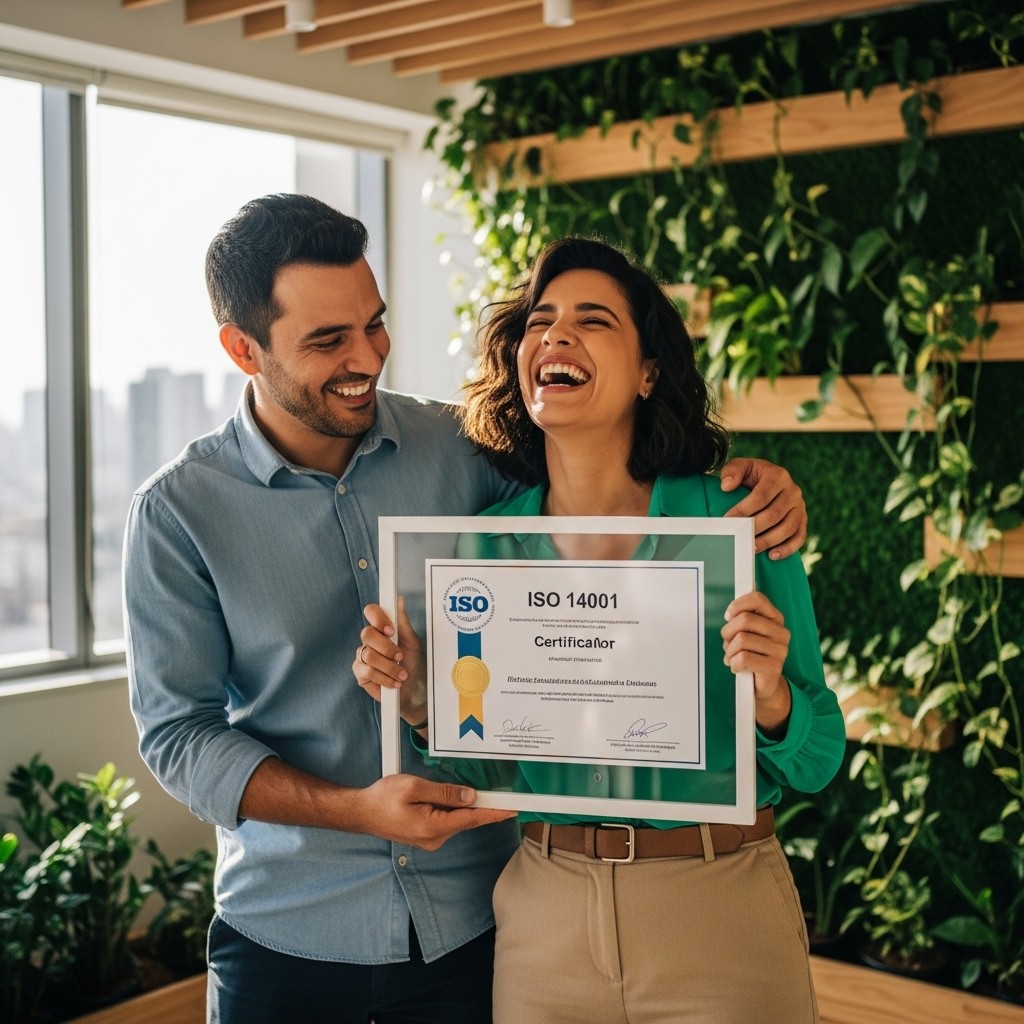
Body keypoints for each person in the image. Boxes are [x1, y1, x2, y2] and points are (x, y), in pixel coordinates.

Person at [123, 194, 811, 1024]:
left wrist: (760, 484)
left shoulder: (471, 449)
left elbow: (601, 481)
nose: (367, 357)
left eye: (375, 324)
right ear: (243, 348)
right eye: (328, 340)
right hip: (289, 930)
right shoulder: (178, 513)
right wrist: (355, 810)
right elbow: (178, 734)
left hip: (476, 926)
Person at [355, 236, 846, 1024]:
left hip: (718, 910)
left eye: (593, 320)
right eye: (540, 321)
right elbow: (490, 766)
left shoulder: (735, 520)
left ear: (648, 371)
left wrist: (771, 695)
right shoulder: (484, 547)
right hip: (545, 918)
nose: (557, 334)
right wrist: (419, 702)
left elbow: (818, 760)